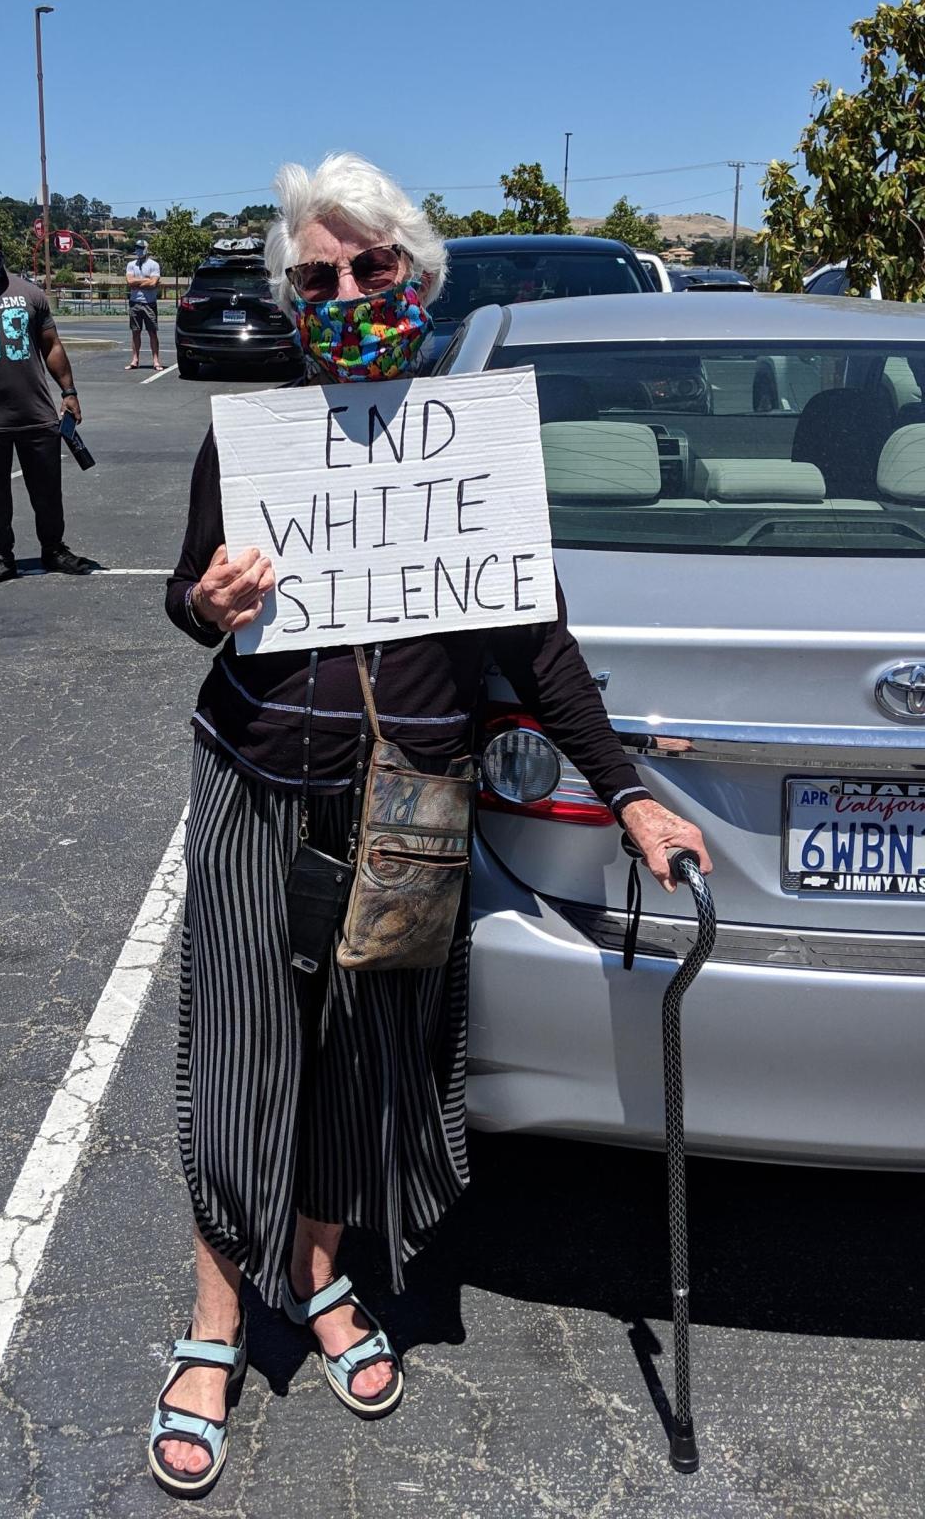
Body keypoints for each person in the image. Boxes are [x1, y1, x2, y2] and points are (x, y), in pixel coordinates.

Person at [151, 153, 712, 1497]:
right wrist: (206, 606)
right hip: (257, 792)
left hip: (407, 808)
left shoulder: (477, 451)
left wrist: (627, 789)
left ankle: (322, 1277)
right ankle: (217, 1330)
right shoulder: (253, 440)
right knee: (240, 1053)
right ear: (295, 296)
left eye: (372, 269)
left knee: (366, 1063)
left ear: (418, 276)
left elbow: (539, 640)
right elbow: (187, 597)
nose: (347, 294)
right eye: (319, 278)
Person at [0, 225, 95, 585]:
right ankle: (0, 557)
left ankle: (53, 549)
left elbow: (51, 345)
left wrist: (69, 392)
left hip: (36, 412)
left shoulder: (30, 293)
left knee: (48, 490)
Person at [125, 238, 163, 371]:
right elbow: (129, 281)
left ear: (146, 249)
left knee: (152, 332)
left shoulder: (154, 265)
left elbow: (153, 283)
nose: (138, 250)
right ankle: (135, 360)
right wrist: (145, 281)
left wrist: (139, 283)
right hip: (135, 302)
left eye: (141, 248)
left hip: (149, 303)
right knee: (136, 332)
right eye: (136, 247)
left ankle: (156, 361)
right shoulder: (131, 265)